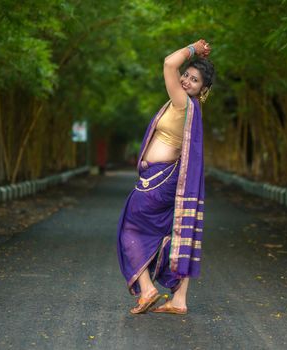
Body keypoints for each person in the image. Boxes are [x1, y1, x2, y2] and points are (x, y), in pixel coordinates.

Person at [116, 39, 214, 315]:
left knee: (130, 228)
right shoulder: (187, 106)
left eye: (194, 80)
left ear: (202, 90)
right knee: (167, 233)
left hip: (159, 182)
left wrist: (193, 48)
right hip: (163, 178)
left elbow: (169, 62)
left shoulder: (183, 102)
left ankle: (148, 290)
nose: (185, 80)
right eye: (186, 75)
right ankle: (179, 299)